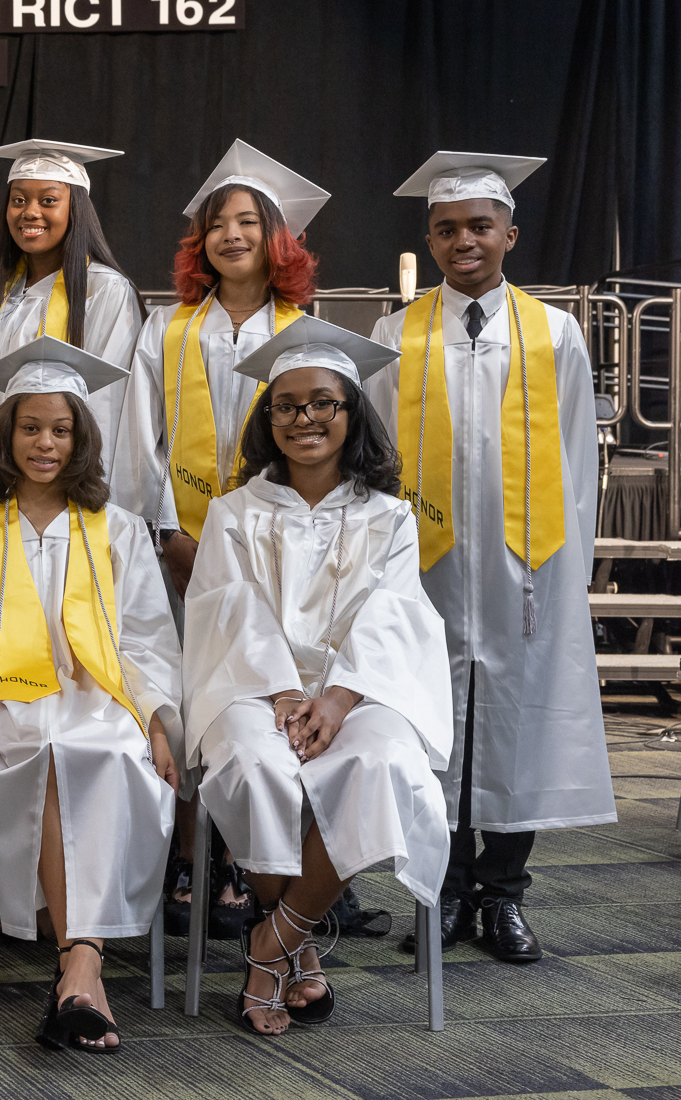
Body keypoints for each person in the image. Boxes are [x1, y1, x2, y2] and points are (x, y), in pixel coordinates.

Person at [367, 152, 609, 964]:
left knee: (516, 728)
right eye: (446, 229)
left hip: (524, 570)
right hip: (423, 566)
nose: (462, 240)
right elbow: (372, 459)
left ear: (510, 232)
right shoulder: (394, 333)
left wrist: (568, 571)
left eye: (478, 226)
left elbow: (580, 458)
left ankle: (502, 895)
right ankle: (440, 891)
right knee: (429, 729)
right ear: (428, 240)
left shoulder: (554, 332)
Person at [183, 316, 453, 1036]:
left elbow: (396, 614)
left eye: (323, 403)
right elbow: (225, 609)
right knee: (251, 762)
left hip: (362, 687)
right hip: (254, 684)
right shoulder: (234, 513)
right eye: (287, 405)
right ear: (267, 418)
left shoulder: (389, 517)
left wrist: (336, 697)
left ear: (351, 412)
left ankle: (270, 944)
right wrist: (285, 692)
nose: (304, 418)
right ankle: (299, 956)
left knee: (383, 760)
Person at [111, 139, 328, 935]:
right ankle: (180, 856)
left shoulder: (306, 331)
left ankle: (241, 859)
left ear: (278, 239)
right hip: (178, 551)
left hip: (275, 554)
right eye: (216, 225)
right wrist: (167, 531)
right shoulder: (167, 327)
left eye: (247, 222)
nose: (230, 236)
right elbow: (142, 438)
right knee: (180, 696)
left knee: (249, 693)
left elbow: (321, 444)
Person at [0, 337, 181, 1054]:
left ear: (81, 439)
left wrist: (160, 720)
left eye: (61, 429)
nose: (45, 443)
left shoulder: (121, 531)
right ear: (5, 435)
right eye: (30, 427)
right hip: (13, 700)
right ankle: (83, 964)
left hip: (104, 696)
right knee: (46, 744)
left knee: (101, 745)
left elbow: (144, 638)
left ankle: (77, 961)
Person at [0, 140, 142, 514]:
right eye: (19, 199)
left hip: (65, 497)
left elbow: (108, 404)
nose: (29, 212)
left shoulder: (104, 291)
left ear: (75, 209)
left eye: (48, 200)